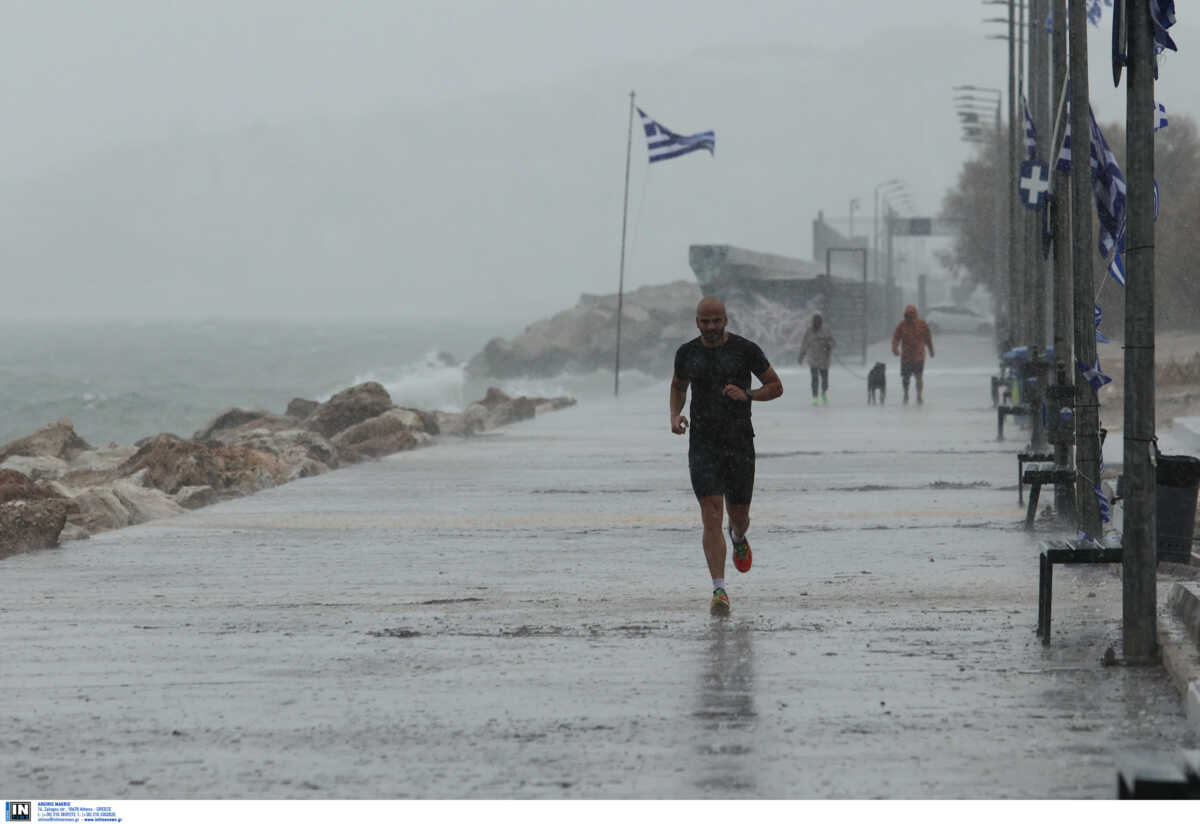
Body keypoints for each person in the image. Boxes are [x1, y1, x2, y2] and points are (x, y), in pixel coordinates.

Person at [670, 296, 783, 615]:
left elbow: (776, 386)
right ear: (696, 322)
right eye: (704, 322)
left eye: (716, 321)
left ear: (726, 321)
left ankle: (739, 536)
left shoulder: (746, 350)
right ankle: (719, 590)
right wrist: (674, 414)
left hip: (739, 443)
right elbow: (678, 385)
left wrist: (748, 394)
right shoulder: (687, 353)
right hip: (703, 445)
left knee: (738, 516)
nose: (710, 327)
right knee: (711, 513)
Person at [891, 304, 935, 404]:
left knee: (919, 377)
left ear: (915, 314)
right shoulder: (902, 325)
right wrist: (895, 348)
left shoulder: (922, 324)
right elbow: (896, 338)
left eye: (911, 314)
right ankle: (906, 393)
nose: (910, 316)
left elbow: (928, 338)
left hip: (918, 356)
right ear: (905, 314)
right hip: (906, 356)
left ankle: (919, 395)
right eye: (908, 314)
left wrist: (931, 350)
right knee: (906, 378)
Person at [796, 311, 835, 405]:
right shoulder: (809, 331)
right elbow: (804, 344)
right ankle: (815, 397)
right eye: (815, 320)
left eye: (819, 320)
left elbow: (832, 341)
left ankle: (824, 393)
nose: (817, 322)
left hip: (824, 359)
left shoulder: (826, 329)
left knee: (825, 379)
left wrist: (829, 345)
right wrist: (801, 355)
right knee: (814, 379)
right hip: (813, 359)